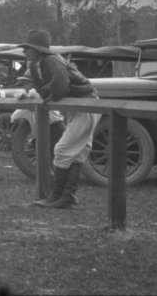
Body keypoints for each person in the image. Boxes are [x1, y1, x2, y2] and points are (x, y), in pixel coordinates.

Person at [19, 29, 100, 209]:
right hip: (79, 106)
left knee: (62, 150)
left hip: (86, 104)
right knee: (76, 154)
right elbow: (44, 90)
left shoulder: (51, 61)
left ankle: (56, 196)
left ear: (38, 49)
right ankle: (66, 197)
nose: (25, 52)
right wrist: (41, 82)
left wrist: (50, 93)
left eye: (28, 48)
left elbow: (61, 88)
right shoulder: (39, 64)